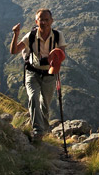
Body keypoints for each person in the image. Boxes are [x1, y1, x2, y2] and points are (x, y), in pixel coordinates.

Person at [10, 8, 67, 142]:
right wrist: (16, 34)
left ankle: (44, 130)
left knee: (45, 104)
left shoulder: (58, 36)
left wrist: (55, 59)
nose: (44, 22)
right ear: (37, 21)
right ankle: (38, 131)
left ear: (51, 21)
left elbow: (61, 53)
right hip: (32, 72)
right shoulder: (30, 36)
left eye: (47, 19)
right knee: (34, 97)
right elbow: (14, 51)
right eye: (41, 19)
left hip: (49, 73)